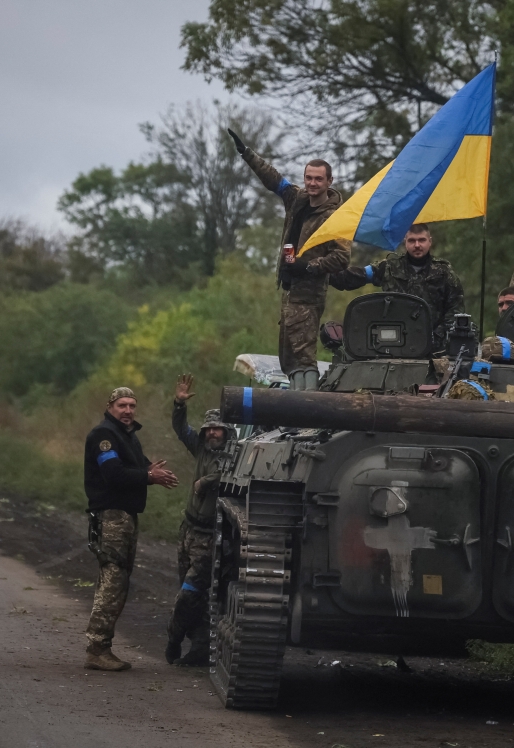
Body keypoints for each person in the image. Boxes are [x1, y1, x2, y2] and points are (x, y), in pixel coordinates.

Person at [228, 128, 349, 391]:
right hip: (289, 290)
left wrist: (308, 266)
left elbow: (341, 258)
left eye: (318, 179)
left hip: (310, 293)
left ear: (329, 181)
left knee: (304, 356)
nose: (312, 183)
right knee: (289, 357)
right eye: (308, 178)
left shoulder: (336, 217)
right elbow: (274, 179)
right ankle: (296, 405)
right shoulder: (297, 199)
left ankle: (308, 408)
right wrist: (246, 153)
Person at [84, 387, 178, 671]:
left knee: (119, 580)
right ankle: (97, 648)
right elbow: (113, 473)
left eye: (132, 406)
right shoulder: (104, 436)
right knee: (112, 580)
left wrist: (151, 468)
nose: (128, 411)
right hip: (111, 515)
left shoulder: (126, 436)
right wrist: (149, 476)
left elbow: (135, 465)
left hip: (125, 515)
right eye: (122, 405)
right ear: (110, 406)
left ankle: (101, 647)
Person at [165, 374, 233, 667]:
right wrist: (179, 403)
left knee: (189, 595)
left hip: (209, 536)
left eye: (217, 429)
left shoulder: (234, 455)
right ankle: (200, 648)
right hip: (188, 529)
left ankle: (174, 639)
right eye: (209, 429)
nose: (212, 434)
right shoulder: (202, 447)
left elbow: (229, 477)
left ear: (226, 431)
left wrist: (206, 481)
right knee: (190, 593)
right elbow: (181, 430)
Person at [329, 223, 465, 351]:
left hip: (433, 345)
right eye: (412, 241)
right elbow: (356, 276)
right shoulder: (389, 267)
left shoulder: (444, 272)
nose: (417, 245)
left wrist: (440, 336)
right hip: (394, 343)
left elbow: (455, 308)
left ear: (430, 241)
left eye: (421, 240)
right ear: (405, 241)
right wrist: (324, 274)